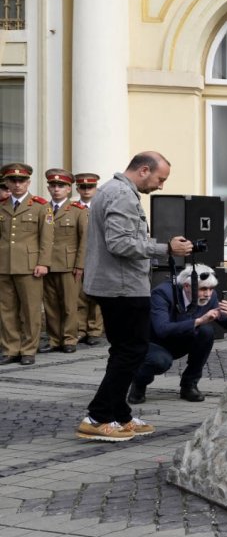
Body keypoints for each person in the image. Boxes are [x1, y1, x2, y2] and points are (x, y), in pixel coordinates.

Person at [79, 152, 194, 442]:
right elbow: (119, 243)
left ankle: (119, 415)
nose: (161, 186)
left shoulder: (112, 190)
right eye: (160, 179)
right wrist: (165, 248)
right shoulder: (122, 195)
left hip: (117, 285)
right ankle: (98, 416)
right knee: (133, 351)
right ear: (144, 170)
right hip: (123, 287)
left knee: (123, 351)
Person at [127, 262, 227, 404]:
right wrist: (199, 321)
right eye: (203, 289)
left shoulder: (210, 296)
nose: (208, 294)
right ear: (187, 286)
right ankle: (138, 383)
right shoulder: (163, 293)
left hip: (179, 340)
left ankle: (189, 385)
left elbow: (225, 322)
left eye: (211, 289)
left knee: (206, 332)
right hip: (151, 342)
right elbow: (162, 329)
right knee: (161, 361)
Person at [0, 163, 53, 365]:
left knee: (31, 310)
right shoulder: (2, 205)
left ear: (28, 182)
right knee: (7, 309)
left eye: (21, 180)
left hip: (30, 266)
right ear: (6, 182)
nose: (17, 184)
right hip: (4, 265)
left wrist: (43, 263)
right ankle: (10, 349)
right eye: (12, 180)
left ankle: (28, 349)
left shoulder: (40, 206)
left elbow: (47, 239)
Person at [40, 169, 87, 354]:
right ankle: (54, 339)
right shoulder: (42, 209)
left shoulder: (77, 211)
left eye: (61, 186)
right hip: (46, 263)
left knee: (69, 305)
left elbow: (85, 240)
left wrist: (80, 264)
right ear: (48, 188)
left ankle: (69, 339)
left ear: (69, 189)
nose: (56, 189)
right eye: (53, 185)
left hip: (68, 265)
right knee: (50, 305)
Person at [73, 173, 104, 345]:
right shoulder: (72, 208)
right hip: (77, 257)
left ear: (96, 188)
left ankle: (95, 330)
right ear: (77, 189)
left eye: (90, 187)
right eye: (82, 187)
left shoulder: (102, 207)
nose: (86, 190)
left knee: (97, 296)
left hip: (99, 257)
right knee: (79, 296)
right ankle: (80, 329)